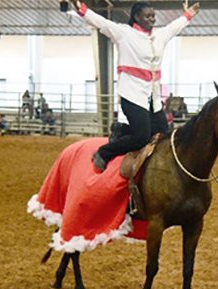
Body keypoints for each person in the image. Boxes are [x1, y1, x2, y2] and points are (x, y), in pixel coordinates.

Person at [70, 0, 200, 172]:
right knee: (141, 137)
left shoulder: (159, 36)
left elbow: (175, 26)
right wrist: (82, 9)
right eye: (147, 16)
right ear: (136, 17)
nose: (152, 19)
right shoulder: (124, 33)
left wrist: (188, 14)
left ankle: (122, 131)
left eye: (153, 16)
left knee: (164, 136)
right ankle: (103, 153)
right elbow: (102, 22)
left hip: (152, 99)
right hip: (131, 96)